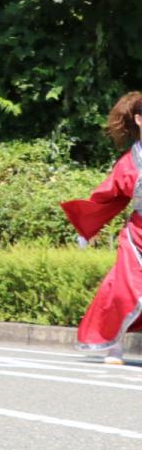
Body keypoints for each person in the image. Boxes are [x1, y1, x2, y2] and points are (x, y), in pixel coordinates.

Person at [60, 91, 142, 365]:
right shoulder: (129, 163)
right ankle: (114, 345)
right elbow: (106, 197)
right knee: (122, 290)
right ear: (139, 119)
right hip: (137, 237)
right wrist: (86, 226)